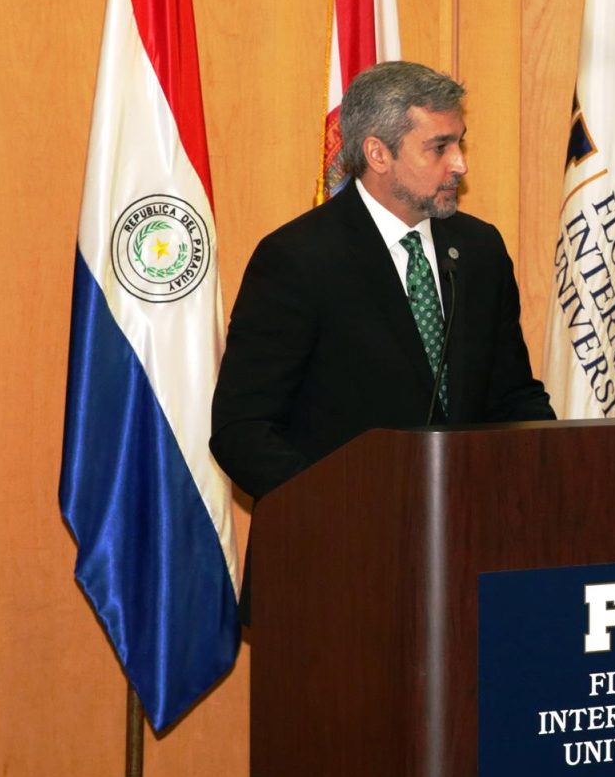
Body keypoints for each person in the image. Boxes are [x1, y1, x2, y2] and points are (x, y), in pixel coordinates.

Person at [210, 59, 555, 533]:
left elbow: (513, 396)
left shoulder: (479, 249)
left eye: (460, 142)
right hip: (339, 554)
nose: (460, 163)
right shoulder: (298, 259)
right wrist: (342, 508)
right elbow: (242, 430)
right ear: (377, 154)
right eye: (440, 147)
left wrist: (552, 471)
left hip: (470, 539)